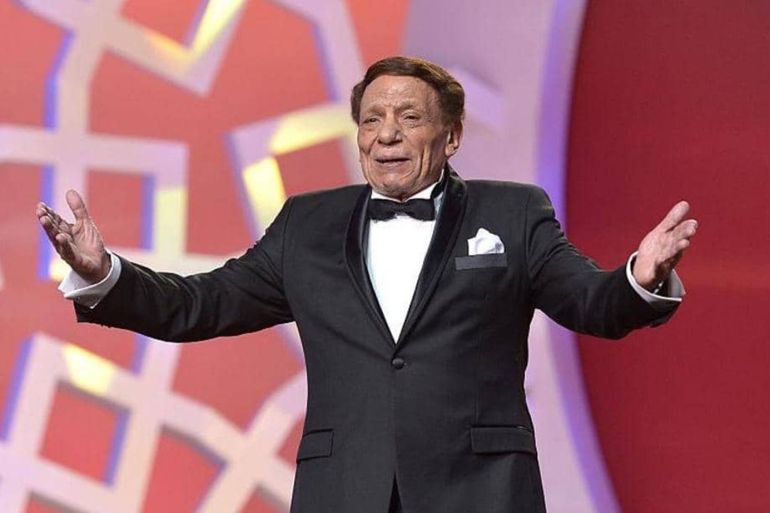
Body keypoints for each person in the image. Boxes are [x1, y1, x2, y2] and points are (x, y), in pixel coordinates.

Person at [36, 56, 697, 513]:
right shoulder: (307, 224)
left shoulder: (513, 213)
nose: (386, 135)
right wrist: (102, 272)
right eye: (372, 119)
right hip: (344, 489)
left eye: (409, 117)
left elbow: (588, 301)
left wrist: (640, 278)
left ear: (451, 135)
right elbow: (199, 305)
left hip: (478, 492)